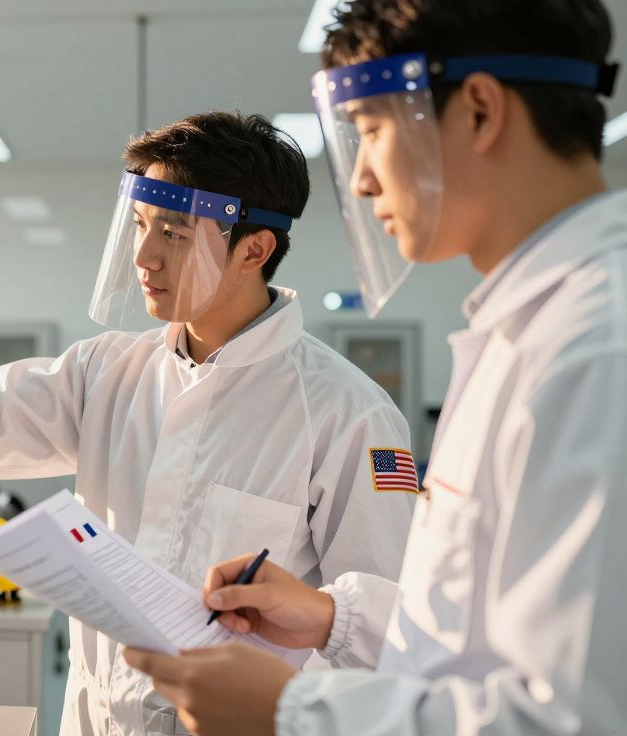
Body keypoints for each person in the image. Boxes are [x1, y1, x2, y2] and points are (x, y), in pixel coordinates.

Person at [0, 111, 416, 736]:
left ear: (253, 249)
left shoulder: (345, 412)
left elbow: (385, 626)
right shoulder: (109, 369)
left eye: (174, 232)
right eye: (142, 227)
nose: (143, 257)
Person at [123, 1, 626, 734]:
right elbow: (478, 636)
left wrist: (292, 711)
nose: (358, 180)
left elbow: (569, 718)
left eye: (374, 133)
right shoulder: (528, 330)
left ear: (480, 111)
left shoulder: (594, 352)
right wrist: (333, 616)